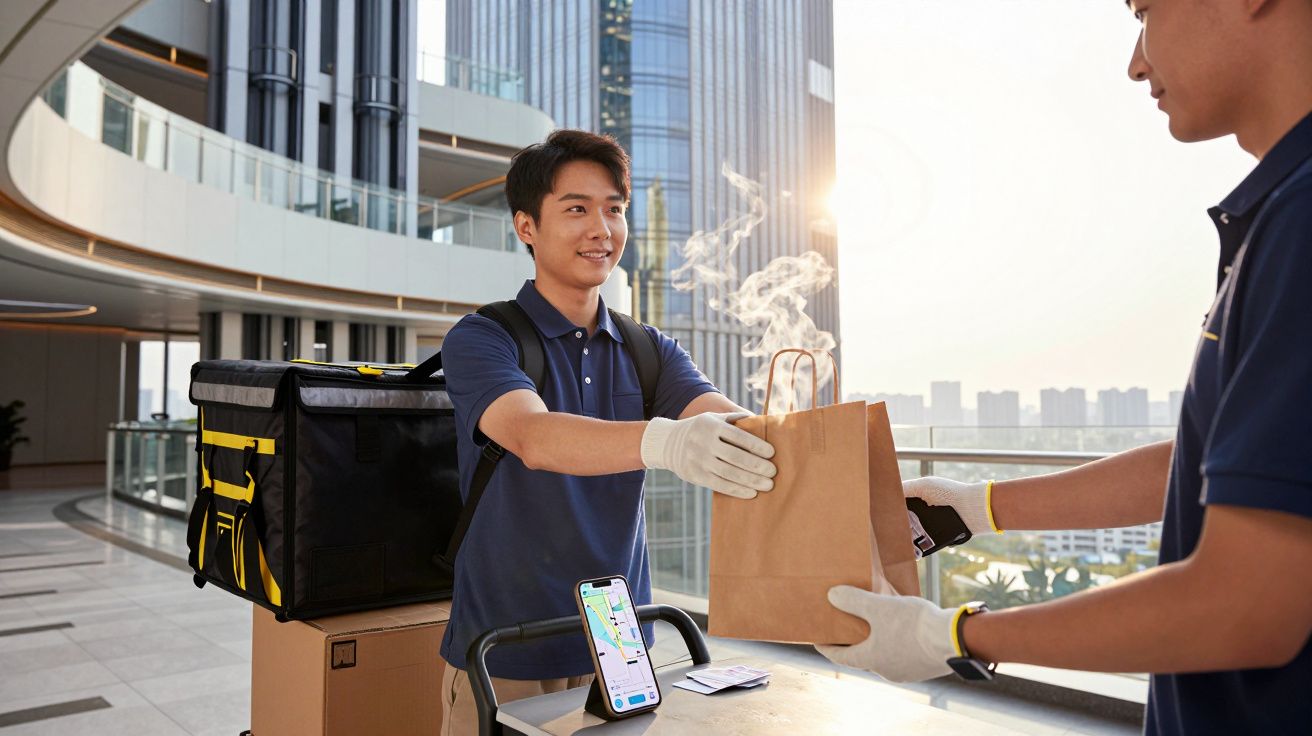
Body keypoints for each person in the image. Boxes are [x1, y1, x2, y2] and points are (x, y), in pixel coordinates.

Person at [817, 1, 1312, 733]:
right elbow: (1214, 464)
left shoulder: (1302, 224)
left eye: (1147, 12)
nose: (1136, 61)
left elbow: (1247, 607)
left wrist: (951, 636)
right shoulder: (1279, 215)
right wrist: (978, 506)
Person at [437, 129, 777, 735]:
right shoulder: (482, 338)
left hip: (621, 645)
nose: (602, 228)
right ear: (526, 227)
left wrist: (842, 462)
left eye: (614, 210)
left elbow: (731, 426)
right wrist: (666, 441)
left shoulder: (649, 350)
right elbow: (533, 437)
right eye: (576, 209)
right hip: (505, 647)